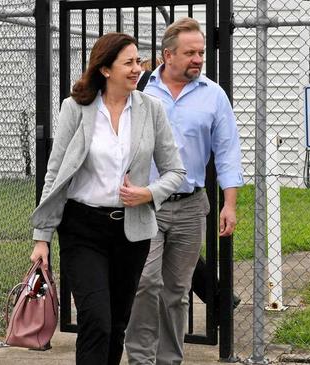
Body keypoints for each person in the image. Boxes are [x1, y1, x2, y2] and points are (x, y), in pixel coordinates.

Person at [29, 32, 186, 365]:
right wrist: (42, 238)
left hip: (131, 232)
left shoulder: (151, 110)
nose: (137, 69)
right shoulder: (75, 109)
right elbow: (54, 175)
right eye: (128, 63)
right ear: (104, 69)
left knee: (116, 323)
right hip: (82, 229)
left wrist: (148, 193)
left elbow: (176, 172)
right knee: (96, 319)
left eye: (139, 61)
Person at [125, 17, 244, 365]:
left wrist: (230, 204)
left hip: (191, 207)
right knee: (145, 285)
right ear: (168, 55)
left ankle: (168, 360)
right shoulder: (140, 90)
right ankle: (140, 360)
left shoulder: (214, 96)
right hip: (145, 205)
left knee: (176, 294)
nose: (198, 58)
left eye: (201, 52)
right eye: (190, 52)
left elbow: (227, 152)